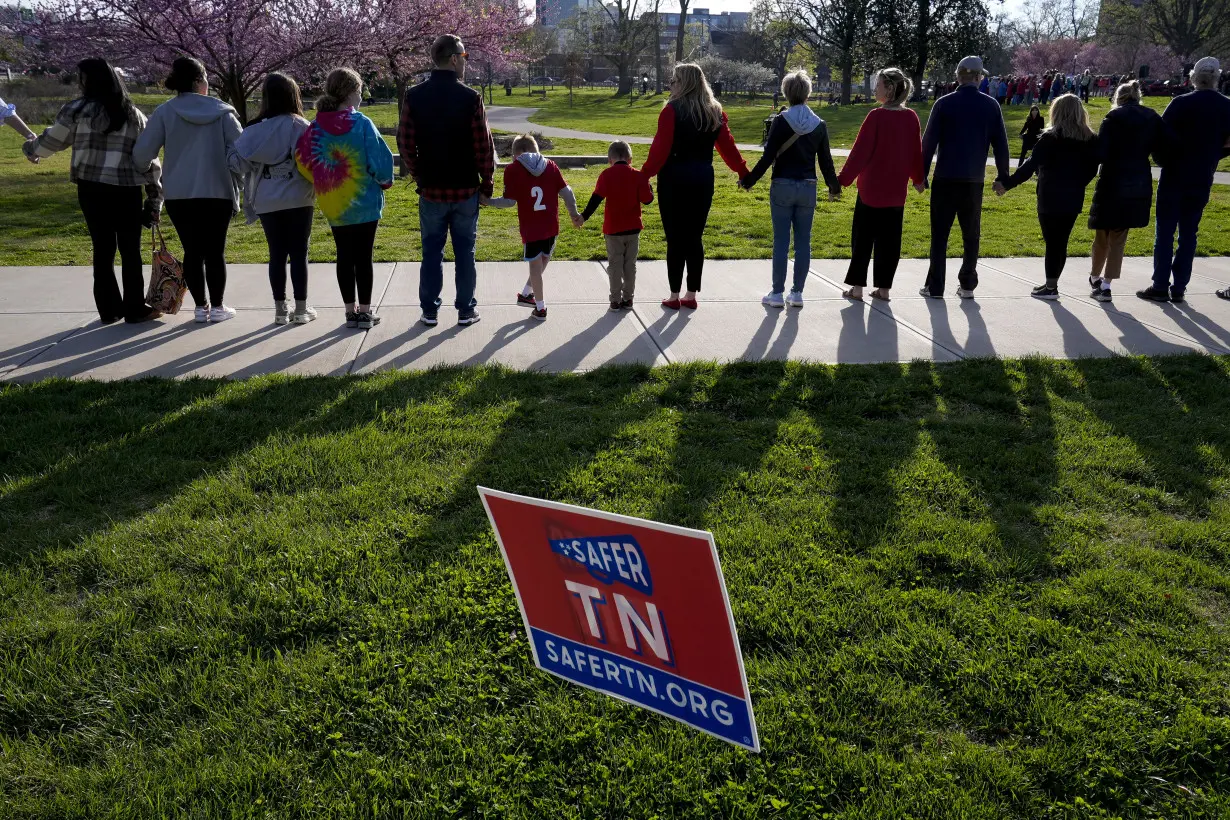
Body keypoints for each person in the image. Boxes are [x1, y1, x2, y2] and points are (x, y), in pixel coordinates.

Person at [24, 58, 162, 325]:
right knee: (130, 250)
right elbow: (150, 160)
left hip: (91, 189)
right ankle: (135, 308)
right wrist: (155, 199)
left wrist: (31, 149)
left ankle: (108, 309)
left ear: (86, 80)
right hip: (127, 190)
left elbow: (51, 141)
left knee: (103, 248)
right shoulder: (133, 115)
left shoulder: (76, 111)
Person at [135, 57, 243, 324]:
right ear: (199, 81)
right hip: (218, 191)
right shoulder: (223, 112)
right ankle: (217, 307)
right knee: (216, 251)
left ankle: (199, 307)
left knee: (192, 251)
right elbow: (243, 150)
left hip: (179, 194)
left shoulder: (164, 112)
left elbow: (141, 155)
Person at [398, 34, 494, 327]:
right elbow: (483, 146)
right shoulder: (471, 97)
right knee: (466, 252)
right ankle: (466, 310)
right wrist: (487, 181)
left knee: (431, 252)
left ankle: (429, 310)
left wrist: (418, 174)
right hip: (465, 189)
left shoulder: (414, 96)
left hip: (431, 189)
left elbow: (404, 142)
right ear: (454, 59)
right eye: (464, 57)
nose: (465, 63)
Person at [642, 62, 749, 309]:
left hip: (674, 179)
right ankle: (691, 295)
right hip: (702, 178)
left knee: (675, 238)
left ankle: (673, 294)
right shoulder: (714, 112)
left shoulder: (671, 111)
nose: (671, 85)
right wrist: (743, 171)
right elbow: (728, 148)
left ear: (684, 83)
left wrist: (644, 175)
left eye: (674, 80)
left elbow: (660, 150)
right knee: (694, 236)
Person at [296, 67, 394, 330]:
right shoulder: (362, 124)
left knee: (344, 255)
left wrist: (321, 178)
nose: (361, 97)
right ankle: (365, 312)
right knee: (364, 257)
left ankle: (349, 312)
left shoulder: (315, 127)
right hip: (364, 201)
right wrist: (385, 181)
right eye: (360, 92)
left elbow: (303, 160)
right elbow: (380, 159)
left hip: (334, 201)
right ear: (351, 93)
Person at [740, 69, 840, 308]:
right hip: (808, 186)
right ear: (808, 92)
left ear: (786, 92)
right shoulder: (819, 124)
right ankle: (797, 293)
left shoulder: (780, 121)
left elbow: (768, 156)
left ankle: (776, 293)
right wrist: (834, 187)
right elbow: (826, 162)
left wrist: (749, 180)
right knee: (804, 241)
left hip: (782, 184)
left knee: (781, 242)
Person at [920, 55, 1011, 299]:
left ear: (958, 76)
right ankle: (968, 283)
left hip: (945, 178)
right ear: (980, 78)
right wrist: (1003, 177)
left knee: (940, 235)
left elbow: (928, 144)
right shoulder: (991, 105)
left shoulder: (944, 103)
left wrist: (921, 175)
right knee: (971, 235)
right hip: (973, 180)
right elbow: (1001, 146)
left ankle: (935, 285)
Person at [1141, 57, 1230, 303]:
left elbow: (1159, 137)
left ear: (1194, 78)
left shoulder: (1180, 103)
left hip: (1175, 173)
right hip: (1202, 175)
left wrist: (1163, 160)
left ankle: (1160, 285)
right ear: (1216, 78)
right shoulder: (1226, 106)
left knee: (1165, 232)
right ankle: (1179, 287)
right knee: (1189, 233)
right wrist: (1214, 154)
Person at [232, 72, 317, 326]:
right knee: (299, 253)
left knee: (276, 254)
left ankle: (280, 309)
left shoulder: (254, 131)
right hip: (299, 197)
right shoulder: (301, 126)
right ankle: (301, 309)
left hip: (267, 199)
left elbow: (239, 164)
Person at [995, 94, 1099, 299]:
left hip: (1050, 194)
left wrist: (1006, 184)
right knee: (1061, 241)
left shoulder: (1050, 138)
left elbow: (1029, 166)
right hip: (1073, 195)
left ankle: (1051, 286)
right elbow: (1092, 169)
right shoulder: (1090, 139)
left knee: (1052, 241)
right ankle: (1052, 283)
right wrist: (1078, 184)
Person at [834, 67, 924, 301]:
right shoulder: (911, 117)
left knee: (862, 240)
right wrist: (918, 179)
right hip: (895, 192)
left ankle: (857, 288)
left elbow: (860, 153)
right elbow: (916, 152)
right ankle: (883, 289)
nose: (875, 88)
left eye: (879, 84)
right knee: (890, 242)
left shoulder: (876, 116)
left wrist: (842, 181)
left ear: (890, 89)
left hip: (871, 191)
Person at [1086, 80, 1170, 303]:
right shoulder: (1152, 117)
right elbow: (1164, 149)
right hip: (1137, 181)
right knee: (1119, 236)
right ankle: (1106, 283)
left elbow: (1101, 153)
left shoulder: (1113, 118)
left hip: (1112, 180)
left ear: (1118, 98)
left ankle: (1095, 275)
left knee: (1101, 233)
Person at [484, 134, 582, 321]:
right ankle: (527, 293)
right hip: (551, 225)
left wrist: (489, 202)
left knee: (535, 266)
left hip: (531, 227)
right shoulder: (551, 166)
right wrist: (574, 214)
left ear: (517, 153)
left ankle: (540, 307)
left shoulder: (513, 170)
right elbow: (567, 193)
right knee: (544, 258)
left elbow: (509, 202)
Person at [579, 140, 655, 310]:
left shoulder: (606, 175)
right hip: (633, 228)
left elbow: (596, 199)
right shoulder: (638, 175)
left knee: (614, 265)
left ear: (609, 160)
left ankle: (615, 299)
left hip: (613, 229)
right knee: (630, 265)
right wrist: (648, 185)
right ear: (630, 159)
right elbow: (648, 200)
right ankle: (628, 298)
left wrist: (584, 216)